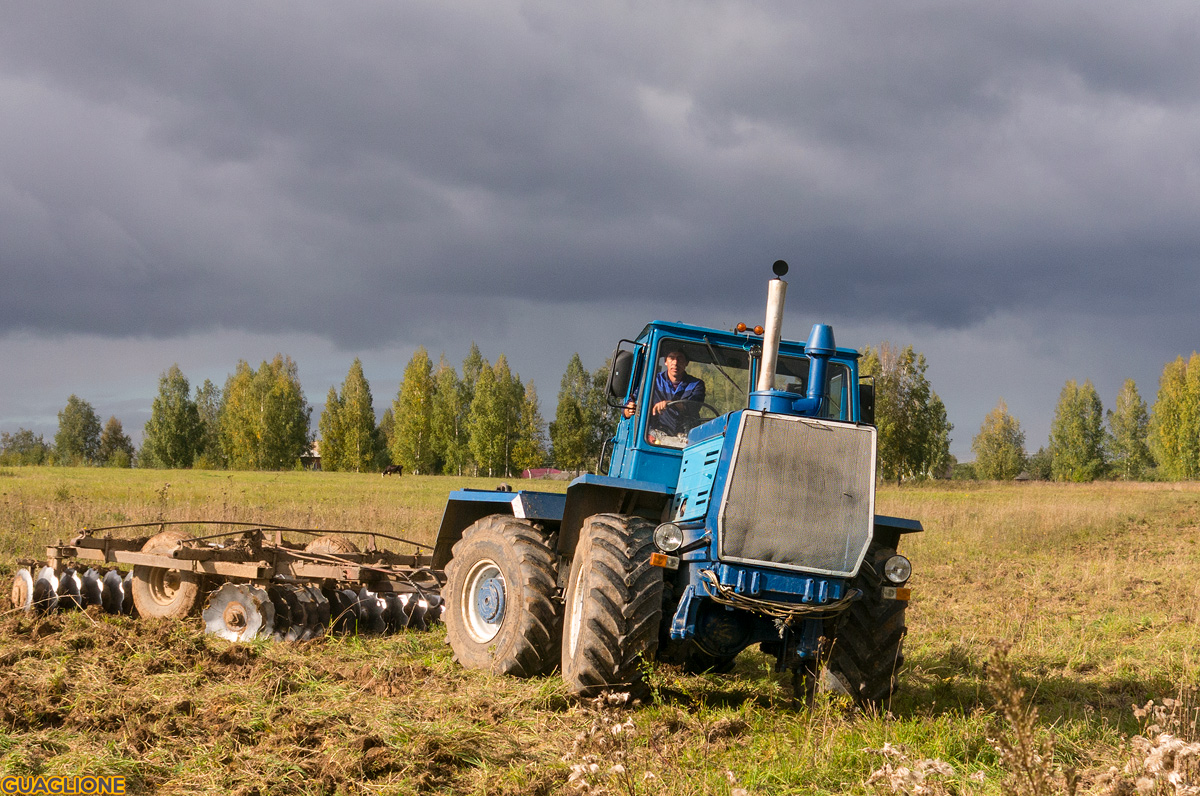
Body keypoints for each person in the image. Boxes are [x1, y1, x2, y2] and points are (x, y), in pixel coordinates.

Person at [624, 349, 706, 443]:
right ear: (665, 361)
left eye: (680, 358)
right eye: (671, 358)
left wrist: (670, 404)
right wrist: (629, 409)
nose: (675, 362)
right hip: (655, 440)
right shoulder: (652, 381)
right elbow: (628, 407)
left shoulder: (696, 384)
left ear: (686, 363)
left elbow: (693, 407)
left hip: (686, 439)